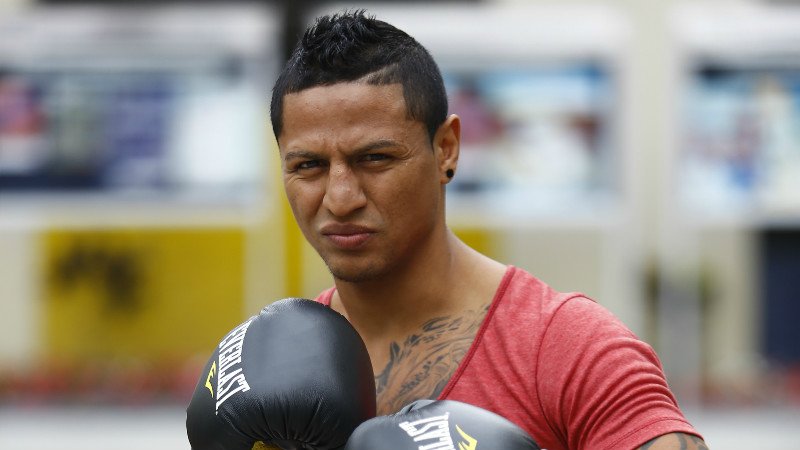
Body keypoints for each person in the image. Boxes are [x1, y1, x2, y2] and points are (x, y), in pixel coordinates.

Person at [269, 9, 707, 450]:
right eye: (308, 165)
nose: (341, 198)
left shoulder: (568, 348)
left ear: (446, 149)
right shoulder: (277, 364)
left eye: (375, 158)